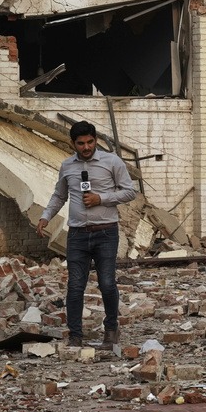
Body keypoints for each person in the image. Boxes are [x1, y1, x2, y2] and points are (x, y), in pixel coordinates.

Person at [36, 121, 136, 349]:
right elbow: (59, 195)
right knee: (75, 286)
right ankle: (75, 336)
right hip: (77, 235)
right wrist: (45, 216)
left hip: (106, 233)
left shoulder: (112, 162)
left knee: (107, 283)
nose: (86, 147)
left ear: (96, 140)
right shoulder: (67, 166)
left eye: (90, 142)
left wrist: (102, 198)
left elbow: (130, 192)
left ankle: (111, 330)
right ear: (73, 143)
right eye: (81, 143)